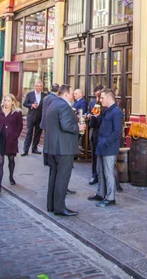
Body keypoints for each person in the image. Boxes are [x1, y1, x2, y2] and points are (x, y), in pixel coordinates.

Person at [44, 84, 85, 216]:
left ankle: (51, 205)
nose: (73, 96)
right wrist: (78, 127)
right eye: (72, 94)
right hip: (63, 148)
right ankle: (60, 207)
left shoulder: (54, 104)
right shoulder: (64, 106)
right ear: (66, 94)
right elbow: (66, 125)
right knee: (62, 177)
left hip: (53, 147)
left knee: (54, 176)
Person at [87, 88, 124, 207]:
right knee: (100, 170)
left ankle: (110, 197)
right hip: (101, 145)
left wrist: (106, 142)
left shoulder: (116, 112)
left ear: (109, 98)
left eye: (102, 98)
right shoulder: (106, 111)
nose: (100, 100)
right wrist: (96, 116)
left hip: (109, 147)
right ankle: (101, 193)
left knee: (108, 173)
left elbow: (117, 132)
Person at [0, 94, 23, 192]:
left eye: (8, 101)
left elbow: (19, 127)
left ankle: (11, 176)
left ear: (13, 102)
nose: (6, 103)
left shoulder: (17, 113)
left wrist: (15, 136)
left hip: (11, 140)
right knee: (0, 162)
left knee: (11, 159)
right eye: (5, 100)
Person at [21, 80, 47, 156]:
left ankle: (34, 148)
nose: (39, 87)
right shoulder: (30, 94)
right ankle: (25, 150)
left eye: (40, 86)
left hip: (40, 117)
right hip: (31, 116)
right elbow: (25, 103)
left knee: (37, 134)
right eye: (38, 86)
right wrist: (31, 105)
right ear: (35, 86)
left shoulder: (44, 95)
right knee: (29, 133)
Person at [87, 84, 103, 185]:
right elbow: (89, 113)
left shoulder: (104, 103)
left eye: (98, 96)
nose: (97, 98)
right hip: (93, 131)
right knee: (93, 155)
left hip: (101, 131)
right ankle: (94, 175)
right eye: (96, 96)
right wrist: (89, 115)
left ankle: (101, 175)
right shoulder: (92, 103)